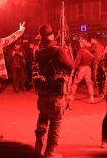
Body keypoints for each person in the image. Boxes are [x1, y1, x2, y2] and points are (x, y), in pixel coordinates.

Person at [33, 24, 74, 158]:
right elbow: (71, 66)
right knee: (55, 123)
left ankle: (38, 148)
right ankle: (50, 153)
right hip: (55, 93)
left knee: (42, 119)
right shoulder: (58, 50)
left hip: (42, 92)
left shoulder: (38, 51)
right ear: (52, 35)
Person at [68, 35, 95, 106]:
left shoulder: (80, 51)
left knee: (75, 82)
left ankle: (72, 96)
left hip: (82, 68)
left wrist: (74, 69)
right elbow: (92, 59)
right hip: (88, 68)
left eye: (80, 42)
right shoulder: (90, 50)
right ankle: (92, 97)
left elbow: (77, 61)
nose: (80, 43)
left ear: (82, 43)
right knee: (89, 83)